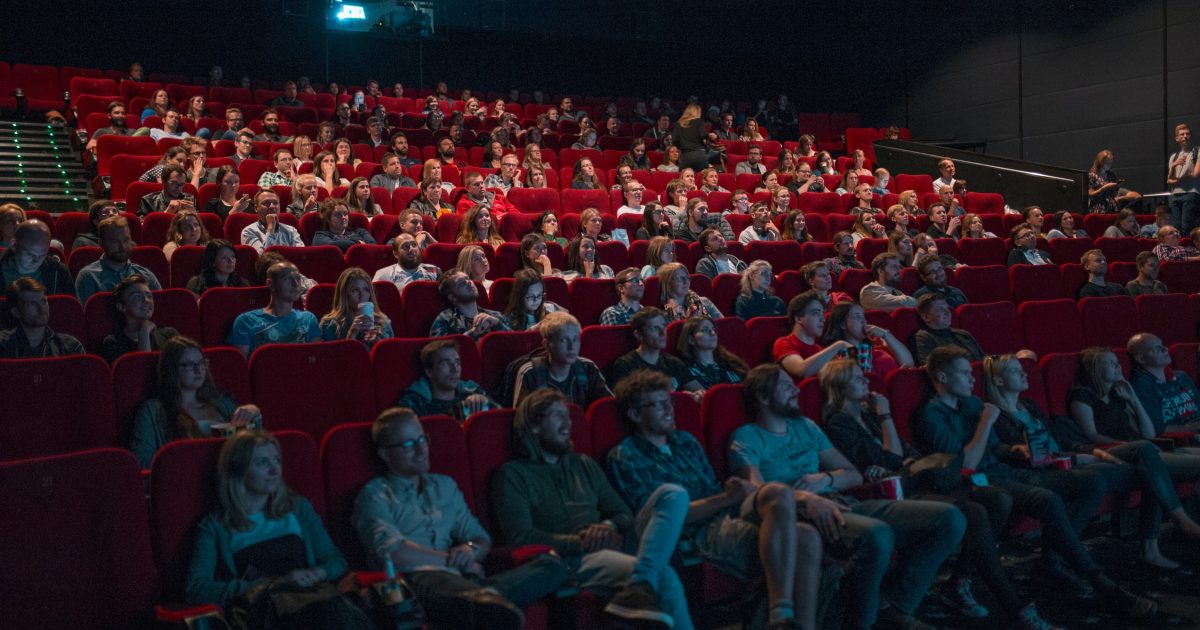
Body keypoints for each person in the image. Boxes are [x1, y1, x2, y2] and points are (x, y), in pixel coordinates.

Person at [819, 359, 1064, 630]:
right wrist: (886, 417)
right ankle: (1012, 606)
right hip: (892, 493)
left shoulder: (867, 414)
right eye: (856, 378)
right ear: (839, 386)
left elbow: (907, 452)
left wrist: (904, 456)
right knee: (974, 511)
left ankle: (959, 581)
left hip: (918, 481)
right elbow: (890, 457)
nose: (866, 380)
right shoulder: (840, 422)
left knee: (995, 498)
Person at [917, 347, 1157, 618]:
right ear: (942, 377)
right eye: (964, 373)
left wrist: (1018, 450)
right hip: (976, 482)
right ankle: (1102, 583)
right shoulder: (932, 415)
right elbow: (966, 464)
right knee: (1047, 499)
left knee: (1091, 481)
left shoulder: (971, 404)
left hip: (1005, 471)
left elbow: (996, 450)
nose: (973, 380)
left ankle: (1052, 562)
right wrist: (986, 423)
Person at [731, 363, 967, 630]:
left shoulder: (805, 426)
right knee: (878, 535)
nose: (795, 389)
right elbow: (758, 492)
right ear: (763, 396)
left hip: (840, 499)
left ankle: (894, 608)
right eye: (786, 386)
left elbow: (853, 475)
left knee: (950, 519)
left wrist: (825, 478)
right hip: (799, 514)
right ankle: (862, 623)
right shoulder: (746, 438)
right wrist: (803, 498)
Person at [607, 370, 819, 630]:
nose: (668, 410)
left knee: (780, 496)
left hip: (724, 513)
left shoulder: (685, 441)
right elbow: (661, 520)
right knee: (802, 540)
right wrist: (725, 498)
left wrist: (732, 492)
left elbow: (712, 490)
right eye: (658, 404)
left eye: (669, 402)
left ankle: (790, 620)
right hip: (695, 532)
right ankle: (780, 618)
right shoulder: (627, 455)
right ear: (635, 414)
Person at [492, 388, 690, 628]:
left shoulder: (583, 463)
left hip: (615, 540)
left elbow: (624, 514)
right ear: (534, 426)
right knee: (665, 576)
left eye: (568, 416)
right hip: (574, 558)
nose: (567, 423)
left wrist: (607, 526)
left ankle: (639, 583)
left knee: (673, 494)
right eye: (557, 416)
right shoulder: (513, 475)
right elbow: (521, 536)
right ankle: (641, 582)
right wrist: (581, 542)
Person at [986, 352, 1200, 571]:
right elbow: (1028, 458)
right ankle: (1167, 533)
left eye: (1022, 369)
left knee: (1147, 457)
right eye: (1015, 370)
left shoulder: (1029, 406)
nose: (1023, 373)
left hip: (1076, 458)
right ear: (998, 380)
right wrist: (1082, 457)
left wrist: (1095, 452)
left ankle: (1165, 536)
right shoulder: (996, 417)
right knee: (1148, 465)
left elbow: (1062, 440)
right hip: (1058, 469)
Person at [353, 408, 563, 630]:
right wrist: (451, 560)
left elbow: (479, 537)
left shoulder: (445, 486)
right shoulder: (375, 494)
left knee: (552, 565)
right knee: (446, 587)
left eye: (422, 439)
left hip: (463, 580)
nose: (420, 449)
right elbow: (392, 553)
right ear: (385, 454)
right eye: (407, 444)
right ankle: (486, 602)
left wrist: (470, 551)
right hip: (416, 582)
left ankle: (487, 598)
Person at [184, 431, 373, 629]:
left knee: (334, 609)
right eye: (262, 463)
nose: (275, 470)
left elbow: (336, 561)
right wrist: (268, 585)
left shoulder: (298, 508)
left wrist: (316, 573)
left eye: (276, 460)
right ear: (238, 471)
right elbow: (197, 588)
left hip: (315, 598)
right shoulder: (215, 526)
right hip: (265, 610)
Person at [128, 336, 261, 468]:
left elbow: (253, 446)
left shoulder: (222, 404)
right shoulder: (153, 410)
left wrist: (254, 414)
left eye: (202, 363)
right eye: (190, 365)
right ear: (172, 369)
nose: (199, 370)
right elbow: (142, 461)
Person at [511, 311, 612, 407]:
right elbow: (523, 420)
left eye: (575, 339)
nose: (572, 347)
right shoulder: (530, 373)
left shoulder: (588, 368)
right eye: (563, 340)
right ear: (546, 344)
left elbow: (607, 407)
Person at [228, 261, 319, 356]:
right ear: (271, 284)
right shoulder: (246, 321)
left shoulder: (308, 319)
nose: (296, 284)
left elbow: (315, 361)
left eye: (298, 278)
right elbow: (241, 367)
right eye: (288, 279)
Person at [607, 307, 701, 396]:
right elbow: (625, 401)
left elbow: (699, 391)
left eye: (663, 326)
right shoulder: (626, 365)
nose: (663, 333)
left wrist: (696, 396)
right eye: (655, 328)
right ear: (639, 335)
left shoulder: (674, 363)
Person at [397, 340, 496, 421]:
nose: (455, 369)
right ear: (429, 372)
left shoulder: (472, 393)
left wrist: (486, 401)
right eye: (445, 363)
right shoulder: (415, 403)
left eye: (457, 363)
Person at [75, 215, 162, 304]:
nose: (122, 246)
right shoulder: (88, 277)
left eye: (126, 240)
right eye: (114, 241)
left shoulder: (146, 275)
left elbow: (161, 310)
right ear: (101, 244)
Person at [1128, 333, 1200, 435]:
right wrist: (1191, 428)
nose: (1165, 349)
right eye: (1157, 348)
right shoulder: (1140, 387)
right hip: (1179, 440)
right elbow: (1157, 429)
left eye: (1162, 345)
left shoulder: (1181, 377)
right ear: (1141, 359)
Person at [774, 292, 855, 380]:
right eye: (816, 313)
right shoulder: (784, 343)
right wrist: (839, 345)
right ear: (798, 318)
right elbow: (801, 370)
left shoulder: (821, 351)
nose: (823, 319)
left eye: (822, 314)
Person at [98, 274, 178, 363]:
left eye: (149, 296)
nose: (146, 300)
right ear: (122, 307)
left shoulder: (169, 335)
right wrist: (144, 332)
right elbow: (142, 371)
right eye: (137, 296)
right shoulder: (113, 343)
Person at [0, 277, 84, 358]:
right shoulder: (3, 345)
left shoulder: (70, 347)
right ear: (16, 312)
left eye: (44, 301)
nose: (41, 308)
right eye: (32, 303)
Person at [318, 267, 393, 346]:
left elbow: (390, 355)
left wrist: (377, 343)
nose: (362, 295)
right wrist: (352, 334)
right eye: (355, 290)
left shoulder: (382, 322)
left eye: (366, 290)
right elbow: (332, 357)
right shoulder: (329, 325)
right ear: (344, 295)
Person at [430, 271, 509, 341]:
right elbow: (439, 352)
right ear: (452, 297)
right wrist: (473, 333)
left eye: (468, 278)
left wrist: (497, 324)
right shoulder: (445, 319)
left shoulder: (496, 316)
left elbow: (517, 343)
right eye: (461, 283)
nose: (468, 282)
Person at [0, 219, 72, 295]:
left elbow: (70, 305)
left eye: (42, 255)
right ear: (14, 245)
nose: (36, 261)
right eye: (30, 254)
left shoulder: (58, 272)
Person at [911, 293, 984, 364]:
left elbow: (983, 360)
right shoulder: (924, 337)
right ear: (926, 317)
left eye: (947, 308)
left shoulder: (963, 334)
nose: (947, 312)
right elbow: (930, 368)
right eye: (940, 309)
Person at [240, 189, 304, 254]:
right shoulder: (249, 231)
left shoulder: (291, 230)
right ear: (256, 208)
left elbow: (300, 254)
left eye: (275, 203)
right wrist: (270, 228)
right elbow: (263, 258)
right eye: (266, 203)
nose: (272, 206)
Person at [657, 262, 722, 321]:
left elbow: (722, 327)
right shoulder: (663, 314)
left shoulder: (704, 302)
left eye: (687, 277)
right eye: (680, 278)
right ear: (668, 283)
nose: (686, 282)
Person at [1167, 123, 1199, 233]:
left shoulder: (1197, 152)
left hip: (1190, 194)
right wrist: (1174, 166)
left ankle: (1188, 250)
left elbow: (1195, 174)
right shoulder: (1174, 157)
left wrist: (1177, 180)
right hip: (1175, 195)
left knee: (1187, 227)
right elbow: (1169, 180)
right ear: (1177, 138)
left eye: (1187, 134)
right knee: (1175, 228)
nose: (1185, 136)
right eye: (1182, 134)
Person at [672, 103, 717, 171]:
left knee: (685, 178)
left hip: (685, 156)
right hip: (699, 155)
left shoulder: (678, 123)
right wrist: (709, 136)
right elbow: (702, 135)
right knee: (702, 178)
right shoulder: (699, 121)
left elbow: (674, 141)